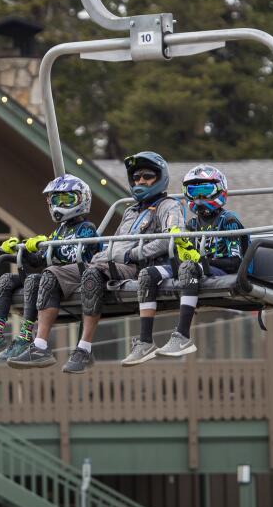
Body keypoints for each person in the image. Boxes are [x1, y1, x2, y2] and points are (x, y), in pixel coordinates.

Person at [10, 151, 182, 373]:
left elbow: (171, 238)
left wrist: (133, 254)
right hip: (109, 262)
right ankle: (40, 346)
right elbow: (117, 242)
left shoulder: (168, 206)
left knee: (92, 274)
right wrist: (103, 255)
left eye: (147, 176)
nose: (140, 181)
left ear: (160, 177)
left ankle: (84, 349)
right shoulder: (130, 211)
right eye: (136, 177)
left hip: (137, 267)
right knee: (51, 273)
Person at [122, 164, 249, 363]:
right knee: (148, 274)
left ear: (219, 190)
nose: (198, 198)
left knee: (188, 267)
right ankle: (145, 341)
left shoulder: (228, 221)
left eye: (205, 191)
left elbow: (234, 262)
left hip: (225, 270)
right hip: (198, 268)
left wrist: (200, 261)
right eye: (193, 192)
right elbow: (185, 255)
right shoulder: (191, 225)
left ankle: (183, 336)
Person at [0, 174, 101, 361]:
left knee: (33, 279)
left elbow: (72, 255)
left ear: (82, 199)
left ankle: (25, 336)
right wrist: (22, 249)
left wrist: (47, 245)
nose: (60, 205)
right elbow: (38, 261)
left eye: (67, 199)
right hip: (52, 277)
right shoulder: (59, 230)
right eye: (57, 200)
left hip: (75, 278)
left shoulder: (87, 228)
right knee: (6, 280)